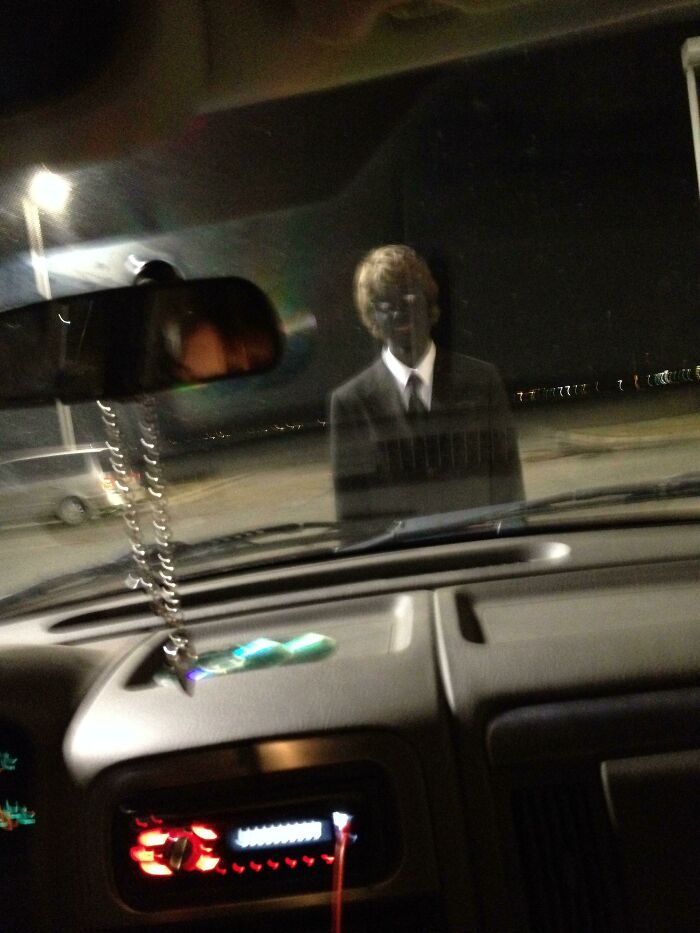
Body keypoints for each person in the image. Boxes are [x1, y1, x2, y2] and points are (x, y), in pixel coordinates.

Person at [330, 245, 524, 521]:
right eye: (387, 302)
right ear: (371, 315)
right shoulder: (350, 404)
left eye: (409, 297)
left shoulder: (483, 382)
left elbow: (510, 495)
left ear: (429, 303)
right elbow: (353, 523)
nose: (400, 312)